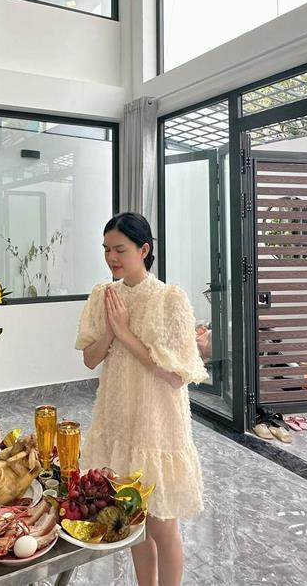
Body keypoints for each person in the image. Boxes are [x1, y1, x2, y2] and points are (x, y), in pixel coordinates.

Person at [75, 212, 209, 586]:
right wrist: (110, 331)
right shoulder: (103, 295)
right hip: (120, 418)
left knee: (162, 526)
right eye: (106, 249)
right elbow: (89, 359)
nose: (111, 257)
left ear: (144, 249)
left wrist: (124, 333)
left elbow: (176, 375)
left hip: (158, 424)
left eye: (120, 249)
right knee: (134, 522)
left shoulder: (170, 299)